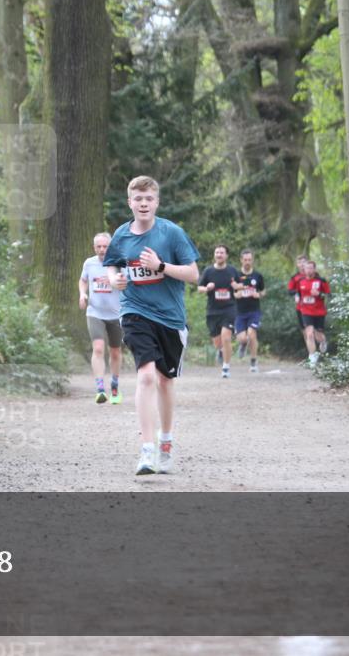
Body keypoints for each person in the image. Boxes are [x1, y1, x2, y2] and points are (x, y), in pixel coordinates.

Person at [103, 176, 199, 475]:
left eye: (148, 199)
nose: (143, 204)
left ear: (156, 202)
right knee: (145, 376)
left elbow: (193, 274)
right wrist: (114, 279)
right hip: (135, 312)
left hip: (170, 318)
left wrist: (160, 266)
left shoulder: (172, 233)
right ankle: (147, 449)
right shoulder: (121, 235)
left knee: (165, 381)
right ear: (129, 202)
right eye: (138, 199)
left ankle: (165, 441)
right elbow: (112, 264)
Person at [79, 232, 124, 404]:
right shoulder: (89, 263)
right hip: (95, 312)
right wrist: (82, 294)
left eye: (105, 246)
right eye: (99, 246)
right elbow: (83, 280)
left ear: (110, 247)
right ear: (94, 247)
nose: (102, 249)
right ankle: (100, 389)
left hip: (116, 314)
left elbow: (127, 283)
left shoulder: (119, 263)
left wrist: (120, 281)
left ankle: (115, 385)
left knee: (115, 351)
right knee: (98, 348)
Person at [198, 245, 240, 378]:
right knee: (217, 342)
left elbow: (240, 286)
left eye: (222, 253)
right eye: (217, 252)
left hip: (229, 309)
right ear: (214, 255)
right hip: (212, 311)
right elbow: (199, 288)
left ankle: (226, 367)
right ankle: (221, 351)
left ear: (226, 255)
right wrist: (207, 288)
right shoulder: (208, 271)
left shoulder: (232, 270)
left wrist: (237, 286)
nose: (219, 255)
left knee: (226, 337)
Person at [233, 248, 265, 373]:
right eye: (245, 260)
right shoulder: (236, 275)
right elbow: (231, 292)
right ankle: (243, 344)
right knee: (242, 338)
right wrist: (236, 295)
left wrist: (259, 294)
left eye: (249, 260)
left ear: (252, 260)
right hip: (239, 312)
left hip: (254, 311)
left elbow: (263, 291)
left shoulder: (258, 276)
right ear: (241, 260)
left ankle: (253, 361)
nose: (247, 262)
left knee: (252, 334)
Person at [297, 260, 330, 366]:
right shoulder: (301, 281)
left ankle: (323, 341)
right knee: (309, 333)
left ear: (314, 269)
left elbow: (328, 295)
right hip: (306, 311)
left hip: (319, 312)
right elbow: (299, 295)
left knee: (318, 335)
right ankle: (312, 357)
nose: (309, 270)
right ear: (304, 269)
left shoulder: (321, 281)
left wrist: (319, 294)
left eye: (311, 268)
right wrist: (299, 301)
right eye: (307, 268)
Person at [288, 254, 308, 336]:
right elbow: (290, 291)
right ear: (297, 265)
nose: (302, 264)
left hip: (315, 307)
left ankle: (321, 341)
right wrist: (296, 293)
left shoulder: (315, 275)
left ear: (307, 263)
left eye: (304, 262)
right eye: (300, 262)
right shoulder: (295, 277)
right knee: (305, 331)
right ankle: (310, 345)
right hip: (301, 307)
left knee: (313, 331)